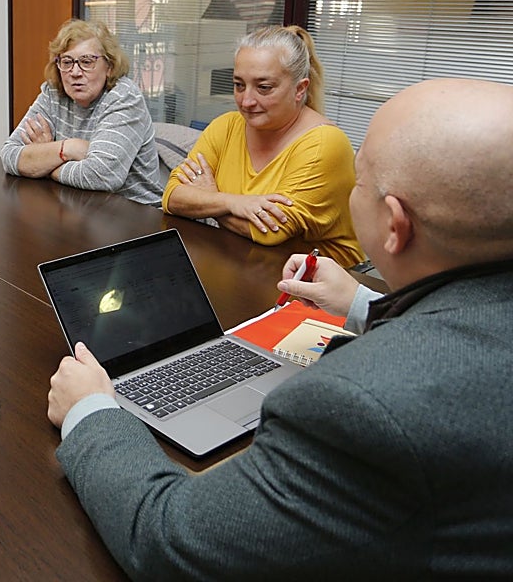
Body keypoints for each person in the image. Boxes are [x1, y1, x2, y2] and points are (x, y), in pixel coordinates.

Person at [46, 77, 513, 579]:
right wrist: (361, 303)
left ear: (395, 226)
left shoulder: (358, 405)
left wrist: (90, 411)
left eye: (358, 182)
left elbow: (170, 544)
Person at [162, 25, 364, 267]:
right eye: (239, 85)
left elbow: (270, 232)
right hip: (245, 263)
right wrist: (232, 202)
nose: (246, 101)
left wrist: (209, 198)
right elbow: (172, 197)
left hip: (316, 285)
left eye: (264, 88)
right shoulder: (225, 126)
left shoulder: (324, 144)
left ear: (300, 89)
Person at [0, 18, 162, 205]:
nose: (75, 72)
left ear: (109, 67)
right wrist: (68, 148)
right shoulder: (53, 93)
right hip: (75, 206)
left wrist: (45, 162)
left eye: (87, 61)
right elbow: (9, 156)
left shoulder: (124, 97)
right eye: (67, 62)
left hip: (136, 218)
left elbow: (101, 176)